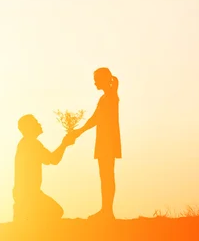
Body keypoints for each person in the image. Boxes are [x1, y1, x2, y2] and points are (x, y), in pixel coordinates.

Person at [73, 67, 121, 220]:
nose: (94, 82)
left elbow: (114, 91)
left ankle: (107, 212)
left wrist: (114, 84)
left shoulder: (111, 96)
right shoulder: (103, 99)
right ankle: (105, 210)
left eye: (97, 79)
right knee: (104, 176)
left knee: (107, 175)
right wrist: (79, 131)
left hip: (109, 141)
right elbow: (94, 118)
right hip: (102, 141)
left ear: (104, 79)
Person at [13, 114, 75, 223]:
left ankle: (25, 214)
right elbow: (53, 159)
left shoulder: (28, 143)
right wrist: (64, 144)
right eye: (35, 122)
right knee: (55, 212)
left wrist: (64, 145)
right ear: (29, 127)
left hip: (28, 193)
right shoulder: (31, 144)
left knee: (54, 211)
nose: (39, 124)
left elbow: (52, 159)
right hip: (29, 195)